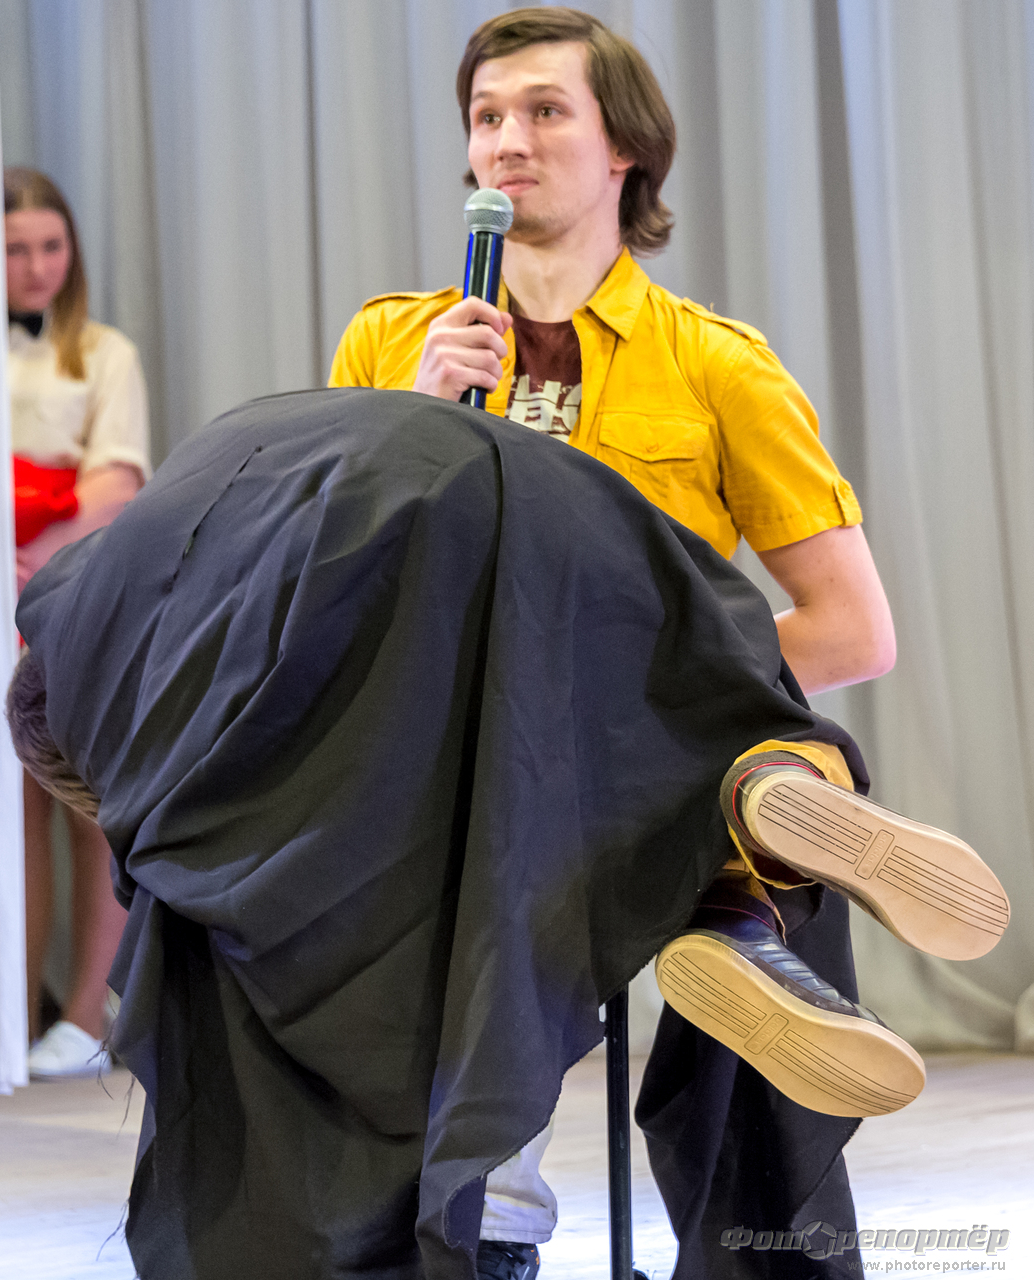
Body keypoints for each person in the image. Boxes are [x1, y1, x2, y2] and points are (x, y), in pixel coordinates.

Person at [6, 389, 1005, 1280]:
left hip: (379, 572)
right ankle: (744, 892)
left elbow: (193, 841)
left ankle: (488, 1220)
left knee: (428, 903)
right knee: (699, 724)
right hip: (537, 491)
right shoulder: (145, 549)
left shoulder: (112, 696)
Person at [326, 11, 1005, 1277]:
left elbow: (854, 625)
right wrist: (414, 419)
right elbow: (334, 597)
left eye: (544, 111)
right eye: (486, 116)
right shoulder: (389, 347)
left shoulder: (716, 366)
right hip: (453, 760)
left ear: (625, 147)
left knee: (760, 734)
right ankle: (739, 917)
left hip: (640, 761)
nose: (506, 141)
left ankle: (738, 911)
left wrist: (645, 701)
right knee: (574, 805)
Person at [4, 167, 151, 1078]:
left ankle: (91, 1015)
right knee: (5, 811)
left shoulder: (105, 353)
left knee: (83, 799)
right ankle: (10, 1010)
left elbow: (117, 481)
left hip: (67, 592)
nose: (36, 267)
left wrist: (31, 554)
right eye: (15, 250)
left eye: (51, 246)